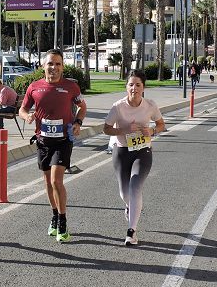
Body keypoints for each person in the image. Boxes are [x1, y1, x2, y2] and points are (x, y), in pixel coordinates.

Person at [20, 49, 87, 243]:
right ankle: (55, 216)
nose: (54, 68)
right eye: (50, 63)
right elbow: (22, 109)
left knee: (57, 181)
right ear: (43, 66)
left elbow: (82, 107)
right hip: (43, 141)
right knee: (48, 183)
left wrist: (78, 122)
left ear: (62, 67)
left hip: (63, 140)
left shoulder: (71, 87)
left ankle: (63, 221)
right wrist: (28, 116)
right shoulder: (34, 87)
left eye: (58, 64)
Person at [103, 70, 166, 246]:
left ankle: (131, 231)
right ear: (126, 87)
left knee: (135, 185)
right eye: (131, 84)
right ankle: (131, 206)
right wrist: (123, 131)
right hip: (122, 151)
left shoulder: (150, 105)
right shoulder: (118, 107)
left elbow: (161, 124)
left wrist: (152, 131)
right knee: (125, 192)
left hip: (142, 150)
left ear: (143, 87)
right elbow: (106, 129)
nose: (134, 88)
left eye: (138, 85)